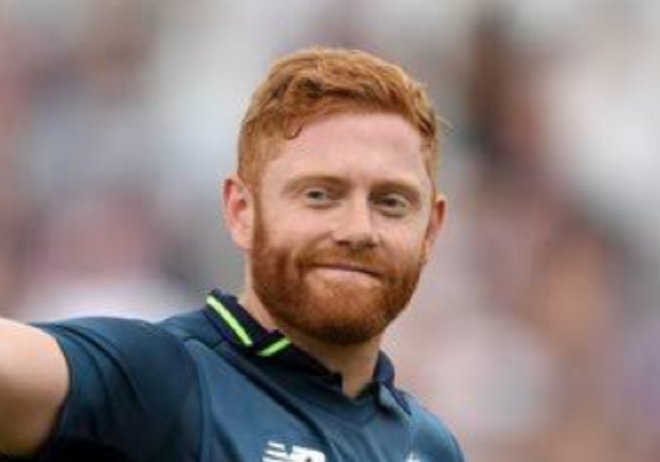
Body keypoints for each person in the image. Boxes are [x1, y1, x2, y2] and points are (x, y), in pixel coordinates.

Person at [0, 47, 464, 462]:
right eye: (320, 195)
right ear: (242, 211)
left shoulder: (429, 445)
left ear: (431, 229)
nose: (358, 230)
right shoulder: (166, 380)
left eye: (390, 202)